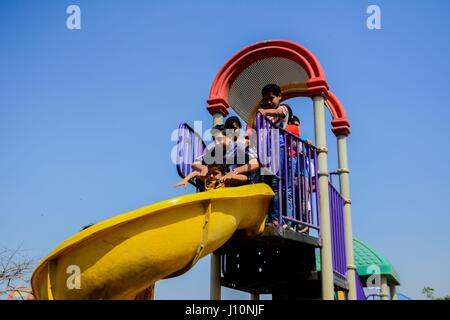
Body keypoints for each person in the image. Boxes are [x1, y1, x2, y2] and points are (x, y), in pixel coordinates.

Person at [192, 124, 260, 186]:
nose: (216, 143)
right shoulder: (216, 150)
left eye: (219, 139)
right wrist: (203, 168)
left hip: (247, 182)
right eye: (214, 140)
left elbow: (255, 164)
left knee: (231, 167)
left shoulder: (240, 147)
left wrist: (234, 172)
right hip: (227, 183)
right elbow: (195, 163)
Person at [176, 162, 248, 190]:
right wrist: (185, 180)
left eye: (215, 173)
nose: (211, 175)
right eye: (210, 173)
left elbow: (245, 178)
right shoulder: (207, 180)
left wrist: (231, 176)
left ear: (224, 174)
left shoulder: (225, 181)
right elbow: (196, 173)